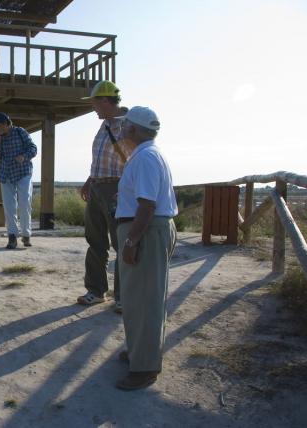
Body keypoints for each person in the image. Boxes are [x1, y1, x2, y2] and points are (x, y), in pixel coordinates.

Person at [114, 106, 178, 390]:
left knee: (145, 300)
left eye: (126, 125)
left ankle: (145, 368)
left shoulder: (146, 158)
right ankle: (140, 352)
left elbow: (147, 205)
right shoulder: (145, 155)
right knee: (136, 298)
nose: (122, 129)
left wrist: (131, 241)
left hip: (145, 232)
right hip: (144, 230)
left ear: (134, 129)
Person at [77, 80, 131, 313]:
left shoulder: (129, 125)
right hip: (98, 187)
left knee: (121, 243)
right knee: (95, 241)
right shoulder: (105, 124)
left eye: (94, 103)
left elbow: (133, 160)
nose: (92, 108)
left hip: (116, 190)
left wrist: (125, 190)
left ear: (106, 101)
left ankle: (123, 296)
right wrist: (90, 181)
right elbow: (101, 158)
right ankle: (96, 291)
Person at [0, 112, 38, 249]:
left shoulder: (20, 132)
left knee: (24, 202)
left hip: (23, 172)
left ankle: (26, 235)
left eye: (1, 125)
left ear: (7, 123)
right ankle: (12, 237)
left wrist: (24, 156)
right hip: (6, 174)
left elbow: (33, 148)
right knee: (9, 207)